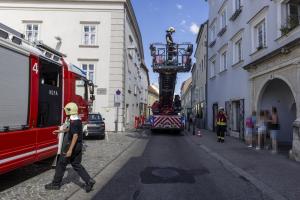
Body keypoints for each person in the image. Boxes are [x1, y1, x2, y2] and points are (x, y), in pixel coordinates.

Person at [45, 102, 95, 192]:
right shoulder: (77, 119)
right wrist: (60, 131)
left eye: (66, 110)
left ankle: (55, 183)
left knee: (61, 164)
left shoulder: (73, 121)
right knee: (76, 164)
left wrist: (70, 150)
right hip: (79, 145)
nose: (65, 111)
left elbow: (75, 135)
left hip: (71, 145)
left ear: (69, 110)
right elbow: (70, 129)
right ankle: (89, 181)